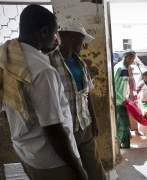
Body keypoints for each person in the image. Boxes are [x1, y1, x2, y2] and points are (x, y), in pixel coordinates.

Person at [0, 5, 87, 180]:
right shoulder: (41, 70)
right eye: (54, 34)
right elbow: (53, 129)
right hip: (52, 160)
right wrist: (77, 168)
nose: (55, 40)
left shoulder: (10, 59)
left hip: (26, 150)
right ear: (44, 31)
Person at [47, 20, 106, 180]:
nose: (84, 45)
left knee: (95, 171)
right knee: (72, 173)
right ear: (72, 37)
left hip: (85, 126)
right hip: (64, 131)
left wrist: (94, 121)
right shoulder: (48, 63)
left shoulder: (81, 64)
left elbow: (88, 95)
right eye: (82, 39)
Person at [114, 49, 140, 148]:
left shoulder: (125, 69)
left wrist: (129, 97)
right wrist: (122, 100)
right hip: (119, 102)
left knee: (125, 125)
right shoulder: (120, 68)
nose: (133, 60)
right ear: (125, 56)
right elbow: (113, 88)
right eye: (131, 58)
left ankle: (124, 144)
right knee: (124, 125)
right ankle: (122, 145)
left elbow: (124, 84)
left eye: (134, 58)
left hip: (123, 100)